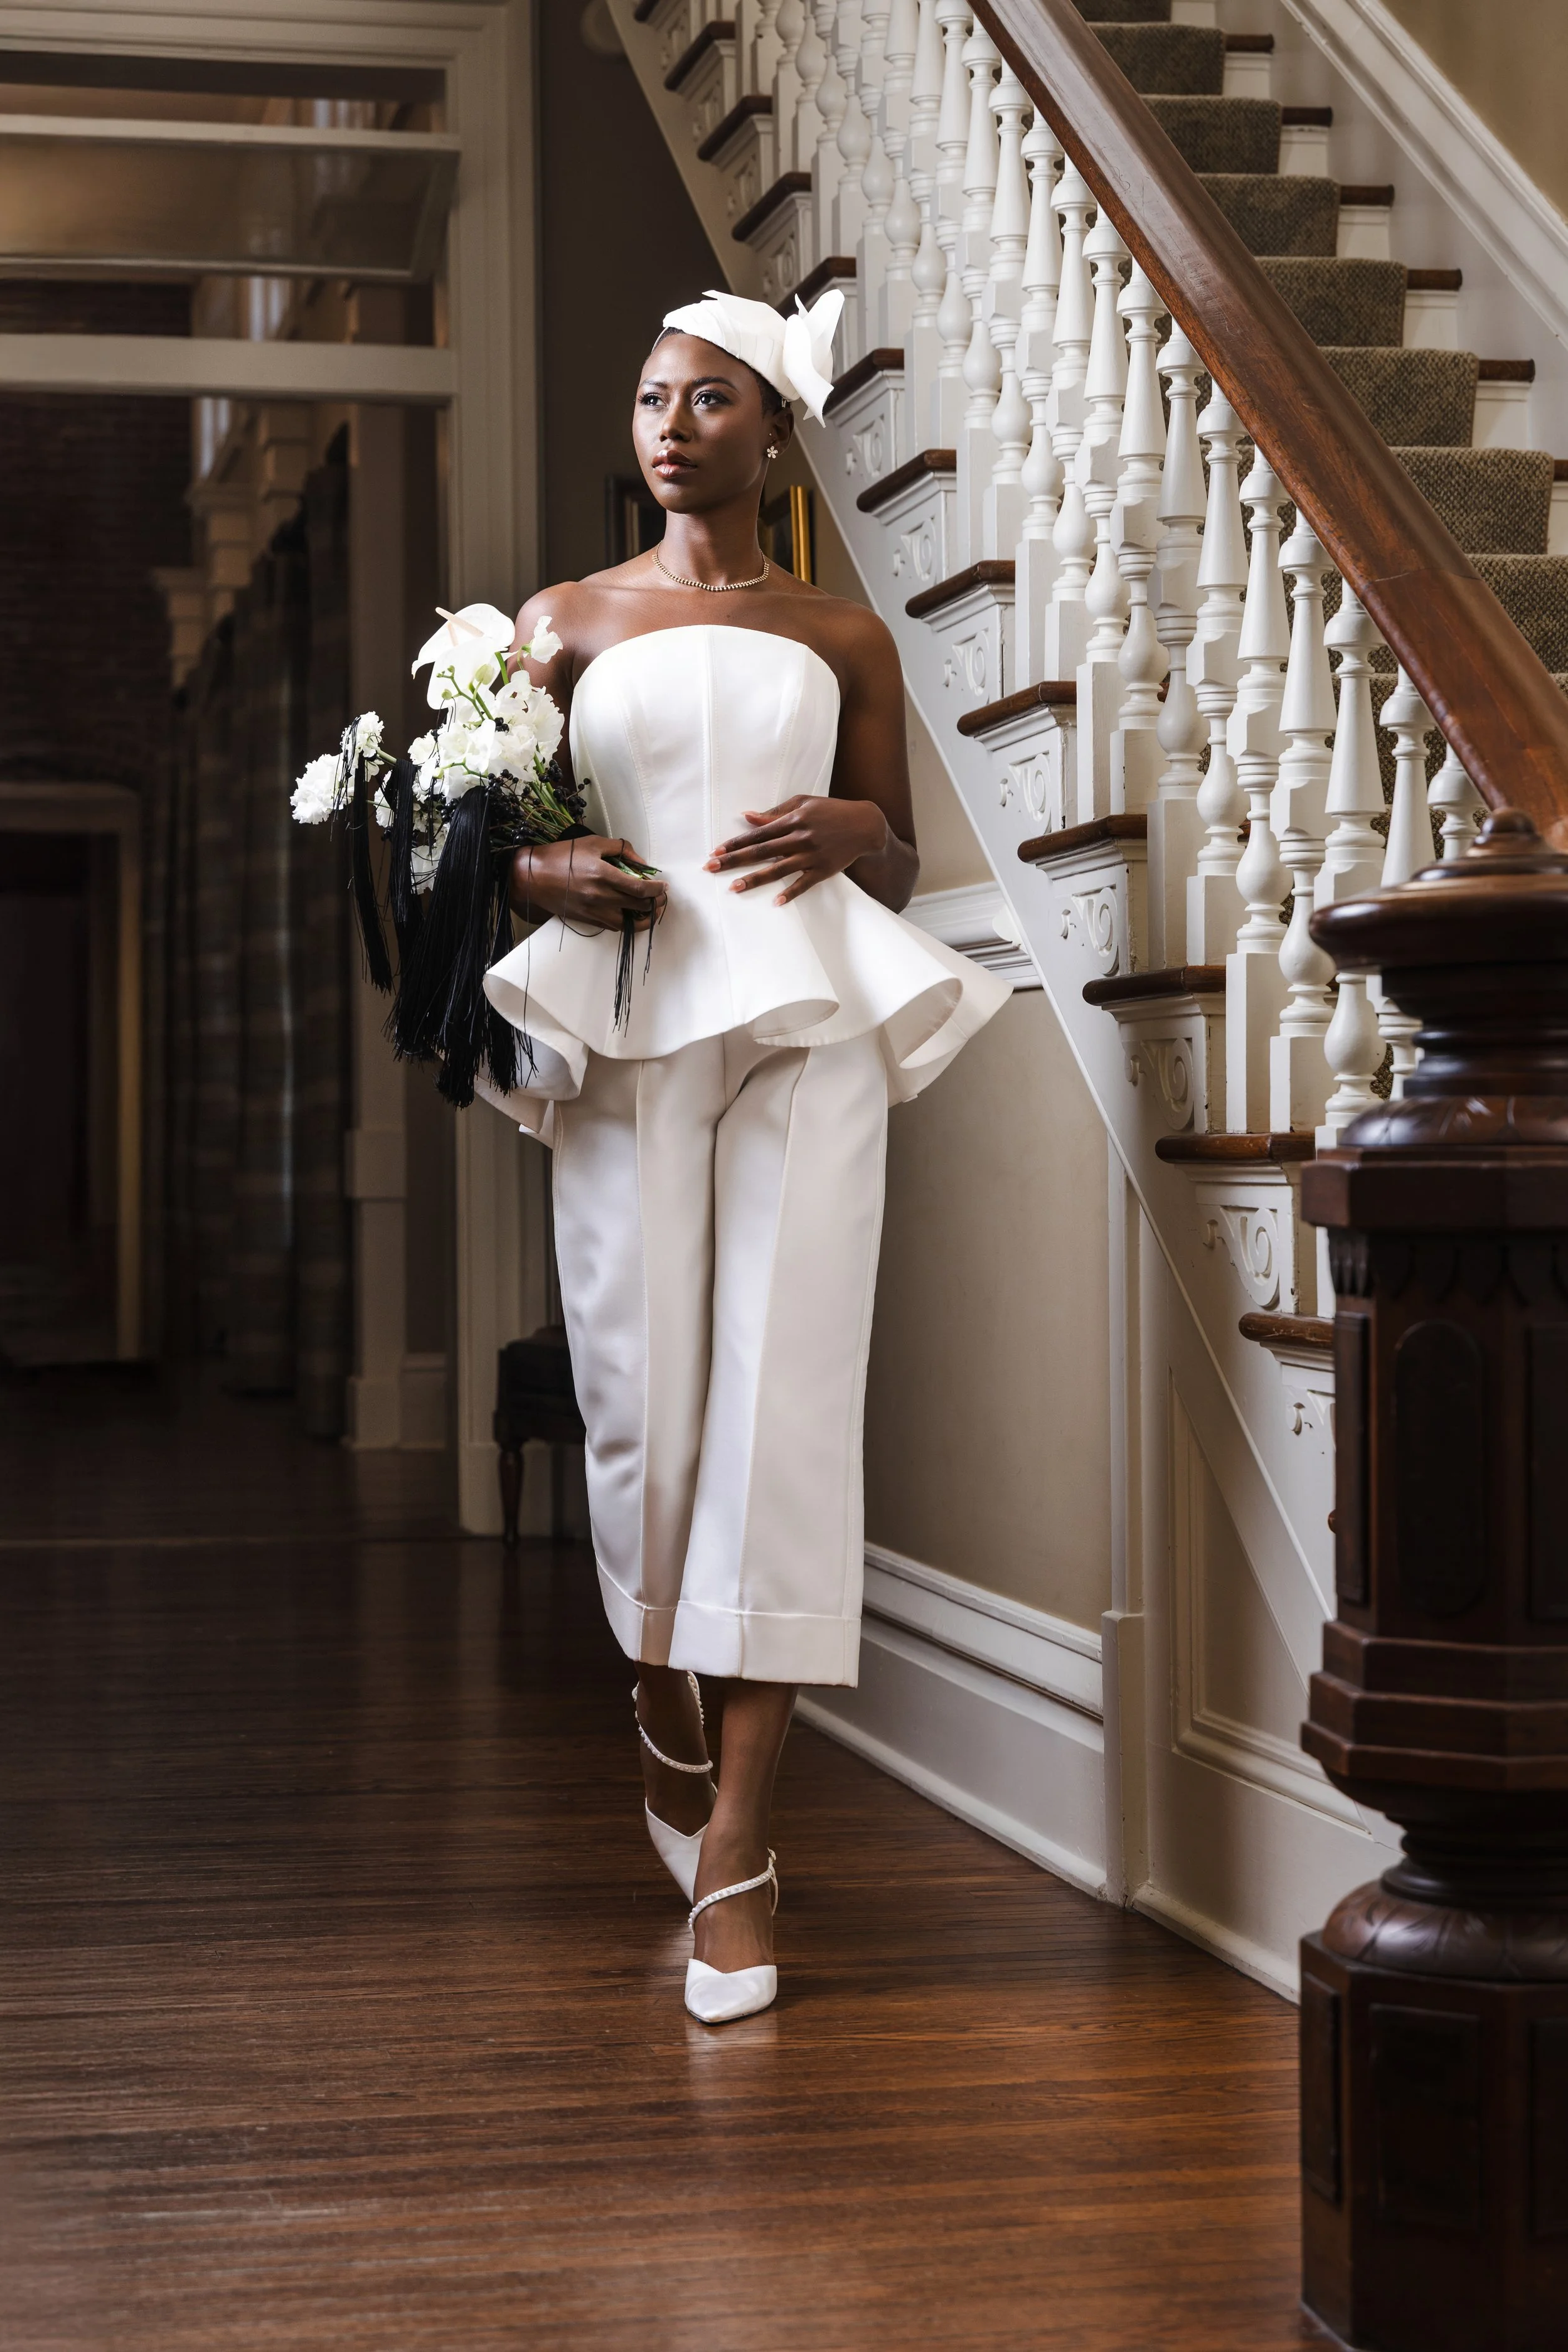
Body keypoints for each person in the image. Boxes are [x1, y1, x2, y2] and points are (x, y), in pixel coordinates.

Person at [482, 288, 1009, 2024]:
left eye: (710, 400)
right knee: (643, 1394)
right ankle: (655, 1687)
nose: (669, 424)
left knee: (789, 1401)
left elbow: (896, 850)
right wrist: (537, 878)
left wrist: (864, 823)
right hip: (633, 1021)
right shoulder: (554, 625)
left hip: (807, 1020)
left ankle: (742, 1841)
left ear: (773, 434)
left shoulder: (846, 634)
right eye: (649, 397)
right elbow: (483, 843)